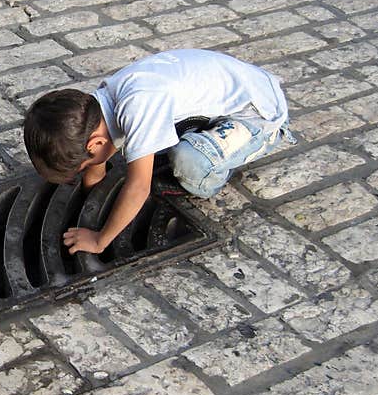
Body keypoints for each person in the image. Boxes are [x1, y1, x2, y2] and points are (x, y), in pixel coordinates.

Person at [22, 48, 296, 255]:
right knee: (151, 146)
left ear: (94, 144)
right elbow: (97, 160)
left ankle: (208, 177)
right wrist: (89, 194)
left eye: (80, 167)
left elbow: (138, 188)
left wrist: (98, 239)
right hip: (229, 87)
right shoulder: (94, 109)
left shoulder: (138, 105)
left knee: (189, 161)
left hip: (259, 111)